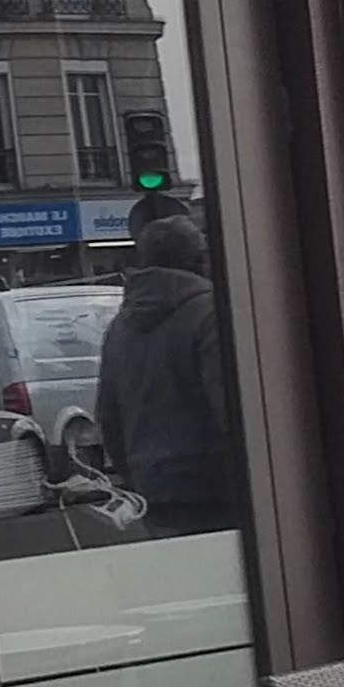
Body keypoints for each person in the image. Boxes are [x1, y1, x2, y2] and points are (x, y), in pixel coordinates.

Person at [89, 216, 239, 528]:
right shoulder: (210, 314)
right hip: (216, 487)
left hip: (153, 488)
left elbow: (108, 414)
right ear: (198, 260)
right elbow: (230, 407)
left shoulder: (121, 326)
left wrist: (133, 477)